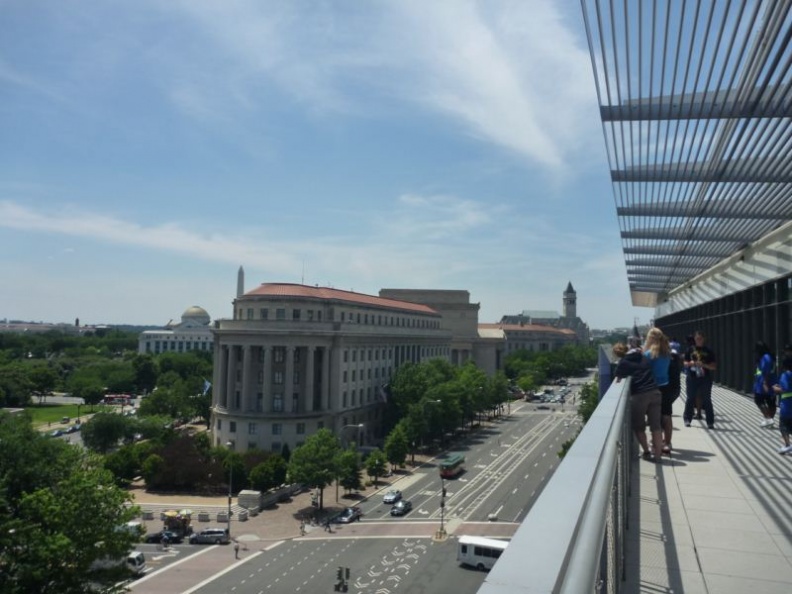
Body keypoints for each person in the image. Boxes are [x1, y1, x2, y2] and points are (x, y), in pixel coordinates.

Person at [613, 341, 663, 462]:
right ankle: (658, 455)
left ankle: (646, 452)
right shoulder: (642, 356)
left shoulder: (623, 362)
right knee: (656, 426)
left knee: (639, 426)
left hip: (640, 395)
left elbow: (617, 378)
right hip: (655, 391)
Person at [643, 329, 673, 454]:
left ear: (650, 338)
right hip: (666, 386)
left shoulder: (649, 354)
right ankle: (667, 442)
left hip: (653, 387)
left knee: (655, 418)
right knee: (666, 416)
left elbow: (642, 370)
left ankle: (656, 444)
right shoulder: (667, 352)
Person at [683, 331, 717, 429]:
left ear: (704, 339)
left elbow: (714, 366)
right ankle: (687, 419)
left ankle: (710, 422)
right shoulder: (690, 349)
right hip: (692, 377)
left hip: (705, 378)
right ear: (694, 339)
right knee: (690, 398)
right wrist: (690, 363)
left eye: (700, 338)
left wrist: (704, 365)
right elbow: (685, 362)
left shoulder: (709, 351)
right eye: (697, 338)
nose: (699, 340)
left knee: (707, 399)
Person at [753, 340, 777, 427]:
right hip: (770, 381)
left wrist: (765, 383)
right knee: (771, 402)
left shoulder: (765, 357)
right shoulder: (770, 356)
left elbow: (765, 371)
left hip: (764, 383)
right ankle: (769, 420)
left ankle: (768, 419)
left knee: (759, 400)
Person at [773, 356, 792, 455]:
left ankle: (788, 445)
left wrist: (776, 388)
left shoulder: (785, 375)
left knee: (783, 425)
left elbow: (784, 388)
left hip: (787, 405)